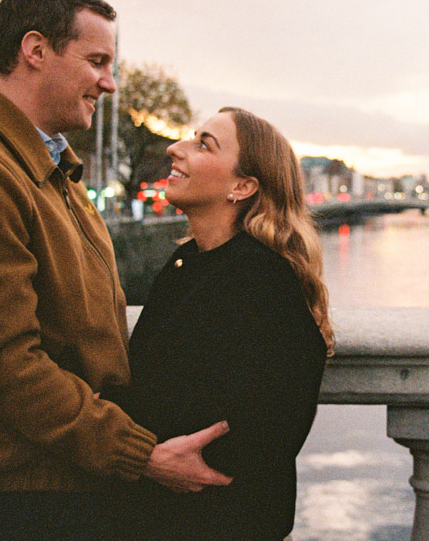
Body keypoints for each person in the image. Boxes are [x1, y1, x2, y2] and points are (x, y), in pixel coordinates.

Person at [0, 0, 231, 541]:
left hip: (68, 476)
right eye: (96, 60)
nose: (109, 82)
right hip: (28, 494)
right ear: (35, 50)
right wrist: (141, 455)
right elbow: (9, 367)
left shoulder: (45, 165)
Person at [105, 107, 334, 540]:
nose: (175, 148)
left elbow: (277, 417)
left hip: (213, 519)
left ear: (242, 186)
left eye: (202, 144)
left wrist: (180, 459)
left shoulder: (261, 278)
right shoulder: (188, 264)